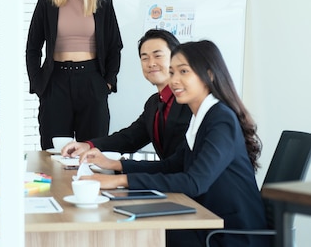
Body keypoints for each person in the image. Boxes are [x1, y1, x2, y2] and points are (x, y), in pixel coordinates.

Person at [79, 40, 268, 247]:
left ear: (210, 75)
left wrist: (120, 181)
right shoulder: (201, 117)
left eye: (183, 72)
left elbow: (195, 183)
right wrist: (115, 165)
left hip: (231, 232)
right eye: (172, 73)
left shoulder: (220, 119)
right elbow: (170, 165)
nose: (174, 80)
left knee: (136, 234)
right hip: (206, 219)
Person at [26, 0, 123, 150]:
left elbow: (115, 47)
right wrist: (39, 85)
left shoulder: (103, 3)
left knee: (92, 151)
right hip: (55, 82)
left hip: (92, 81)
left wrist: (106, 84)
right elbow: (33, 48)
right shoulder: (46, 3)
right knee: (54, 153)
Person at [61, 28, 192, 160]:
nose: (151, 63)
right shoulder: (154, 103)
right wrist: (88, 145)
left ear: (176, 58)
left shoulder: (191, 101)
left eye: (158, 56)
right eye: (144, 58)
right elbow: (130, 138)